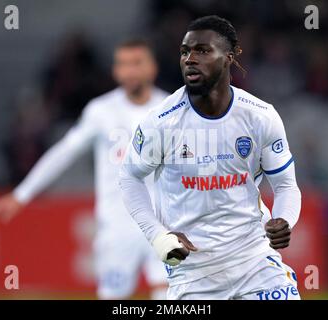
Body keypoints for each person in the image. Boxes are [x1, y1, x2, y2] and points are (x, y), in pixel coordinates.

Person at [119, 16, 302, 300]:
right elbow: (129, 177)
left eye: (202, 51)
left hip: (255, 263)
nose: (190, 59)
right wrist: (157, 236)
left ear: (228, 58)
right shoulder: (161, 122)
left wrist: (284, 219)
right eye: (184, 52)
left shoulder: (260, 116)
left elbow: (285, 184)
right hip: (193, 274)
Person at [0, 39, 169, 300]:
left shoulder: (172, 110)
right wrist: (21, 195)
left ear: (152, 67)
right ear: (115, 71)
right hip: (116, 228)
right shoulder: (100, 111)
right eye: (123, 64)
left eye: (137, 63)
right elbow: (64, 152)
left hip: (163, 224)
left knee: (169, 298)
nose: (129, 71)